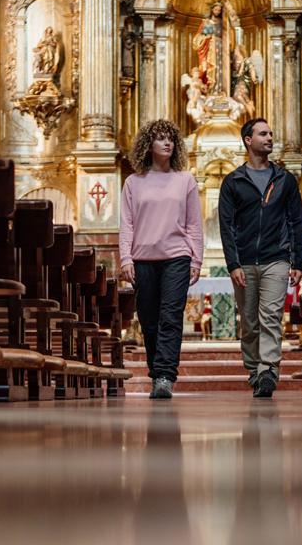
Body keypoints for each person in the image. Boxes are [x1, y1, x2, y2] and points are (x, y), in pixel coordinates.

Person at [218, 118, 302, 398]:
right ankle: (254, 369)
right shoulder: (233, 182)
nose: (270, 138)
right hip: (244, 261)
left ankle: (269, 370)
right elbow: (226, 226)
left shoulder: (284, 180)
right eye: (263, 134)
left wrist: (298, 261)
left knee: (270, 316)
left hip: (276, 258)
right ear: (248, 140)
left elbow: (296, 222)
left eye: (271, 133)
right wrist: (232, 264)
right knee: (249, 321)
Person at [119, 119, 203, 400]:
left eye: (170, 138)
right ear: (148, 145)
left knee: (170, 317)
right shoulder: (133, 182)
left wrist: (196, 259)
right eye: (160, 138)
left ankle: (165, 375)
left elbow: (194, 224)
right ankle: (156, 371)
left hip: (177, 257)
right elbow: (127, 224)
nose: (166, 143)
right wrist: (125, 259)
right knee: (149, 320)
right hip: (142, 259)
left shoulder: (186, 180)